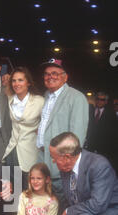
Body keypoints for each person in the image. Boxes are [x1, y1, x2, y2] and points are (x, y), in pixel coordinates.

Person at [37, 58, 89, 198]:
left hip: (60, 162)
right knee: (45, 202)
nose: (50, 77)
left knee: (62, 202)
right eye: (47, 74)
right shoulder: (46, 96)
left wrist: (67, 162)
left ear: (65, 77)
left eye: (55, 73)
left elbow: (76, 137)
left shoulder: (76, 98)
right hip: (43, 157)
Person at [2, 66, 44, 190]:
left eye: (20, 80)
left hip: (30, 152)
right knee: (11, 192)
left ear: (28, 83)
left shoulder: (40, 101)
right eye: (14, 80)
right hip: (12, 150)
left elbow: (47, 124)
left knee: (29, 190)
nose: (16, 84)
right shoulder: (10, 99)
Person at [85, 91, 118, 174]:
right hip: (90, 147)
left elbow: (112, 133)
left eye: (102, 100)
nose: (99, 101)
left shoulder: (111, 114)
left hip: (104, 149)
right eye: (97, 99)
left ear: (106, 101)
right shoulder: (90, 111)